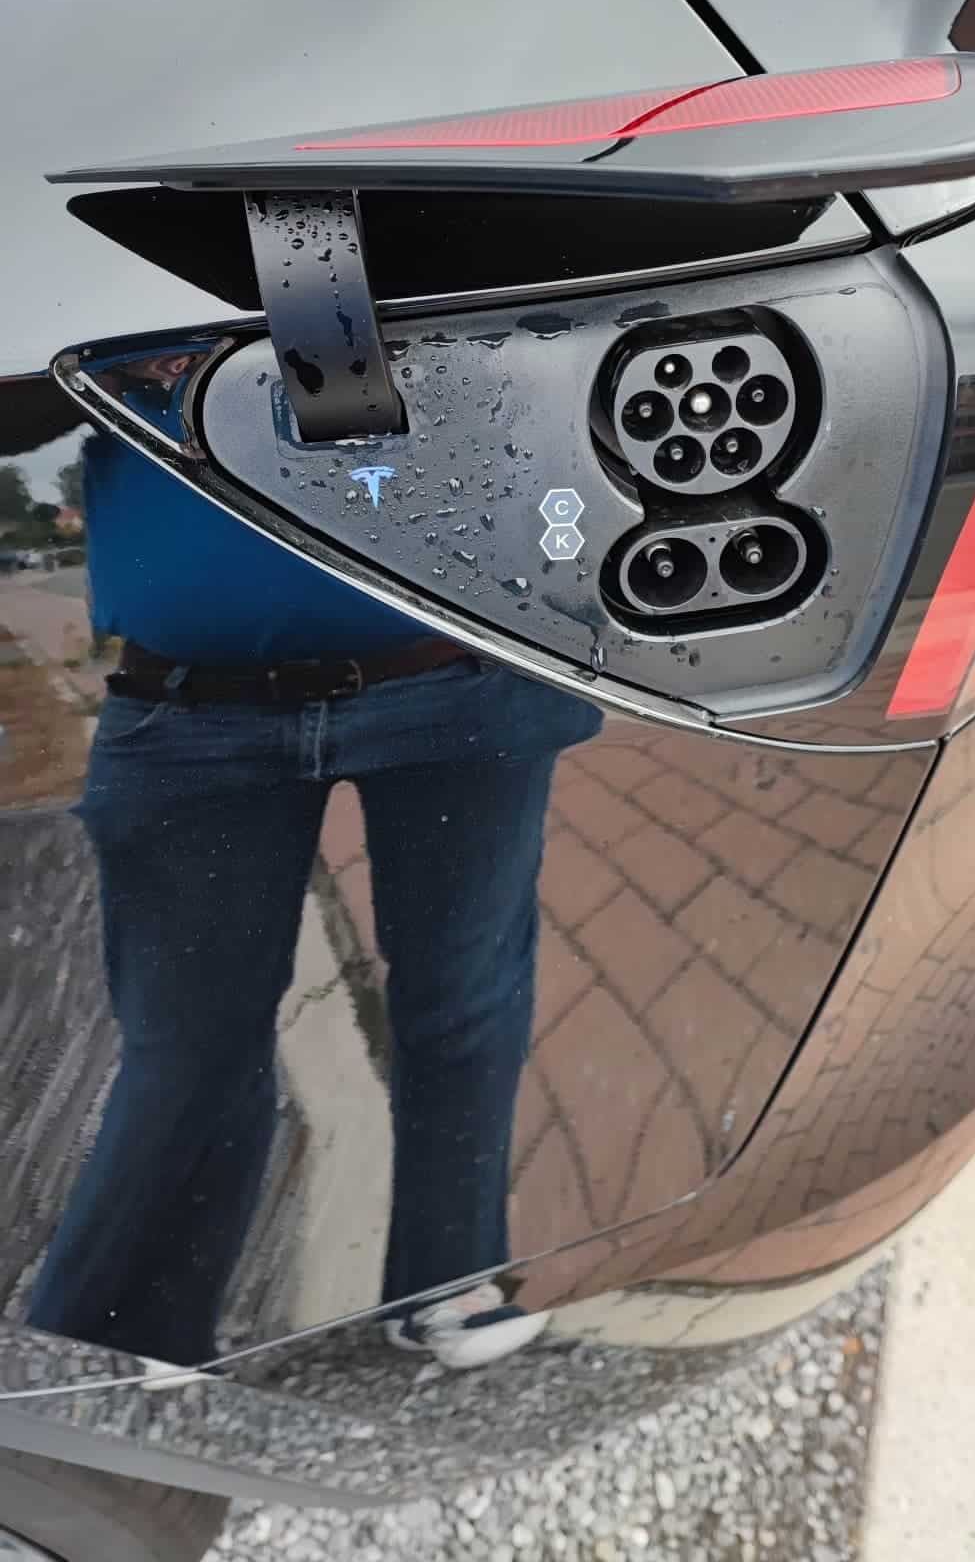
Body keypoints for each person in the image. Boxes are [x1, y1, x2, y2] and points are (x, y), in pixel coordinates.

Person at [6, 358, 598, 1372]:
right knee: (189, 1042)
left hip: (461, 663)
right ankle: (124, 1341)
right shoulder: (105, 264)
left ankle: (447, 1273)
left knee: (465, 996)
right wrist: (110, 351)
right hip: (189, 704)